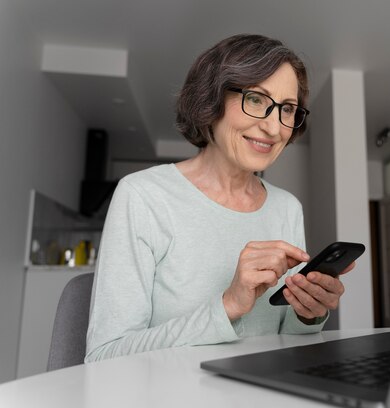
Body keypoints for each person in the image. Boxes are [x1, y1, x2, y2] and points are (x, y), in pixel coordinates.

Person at [85, 34, 355, 362]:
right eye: (256, 99)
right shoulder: (143, 196)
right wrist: (227, 305)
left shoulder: (287, 208)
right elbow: (105, 356)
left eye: (287, 108)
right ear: (210, 100)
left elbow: (287, 342)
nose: (274, 127)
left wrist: (308, 314)